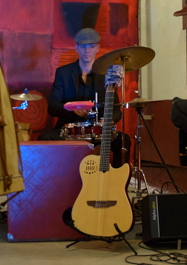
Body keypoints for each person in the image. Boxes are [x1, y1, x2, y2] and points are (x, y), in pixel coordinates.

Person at [41, 27, 125, 165]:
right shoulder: (63, 73)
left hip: (97, 130)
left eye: (91, 46)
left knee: (123, 141)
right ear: (76, 48)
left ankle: (116, 177)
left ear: (97, 48)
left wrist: (108, 120)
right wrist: (71, 109)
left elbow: (116, 110)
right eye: (83, 46)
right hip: (68, 130)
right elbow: (52, 107)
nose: (87, 51)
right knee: (44, 139)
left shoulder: (106, 75)